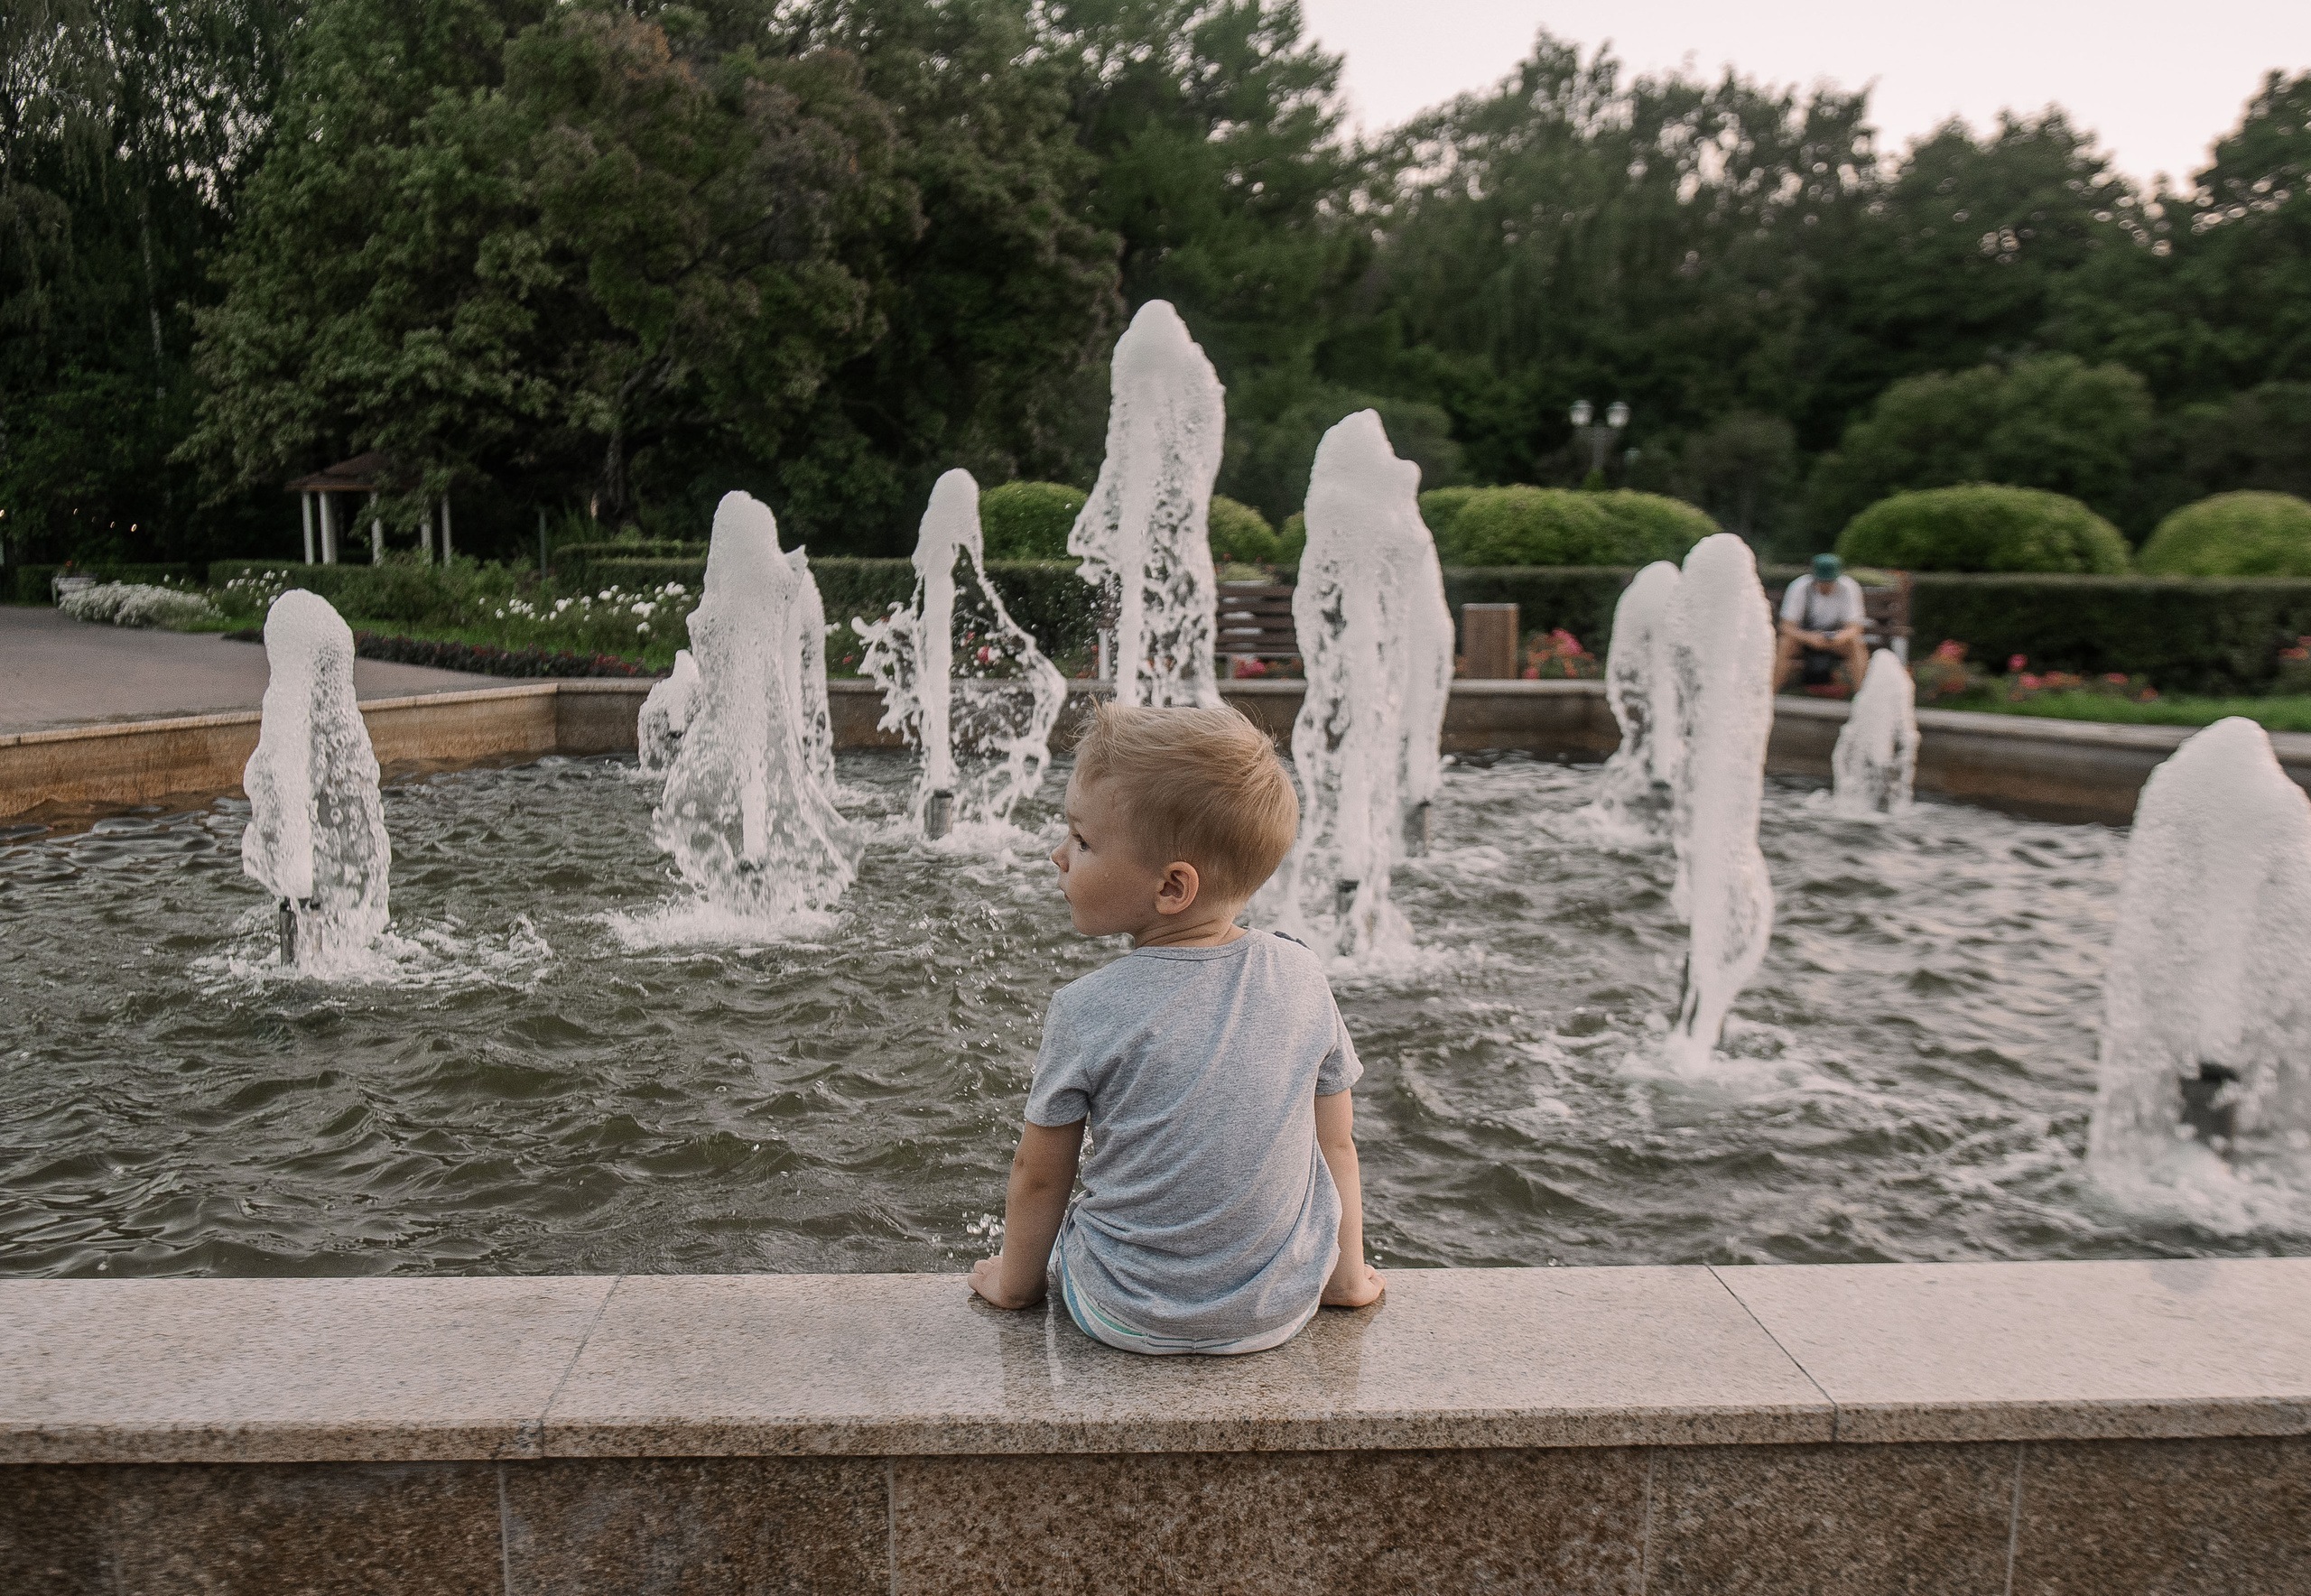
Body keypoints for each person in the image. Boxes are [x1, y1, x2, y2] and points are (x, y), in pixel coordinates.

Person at [966, 702, 1385, 1353]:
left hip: (1120, 1315)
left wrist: (1014, 1285)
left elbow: (1041, 1174)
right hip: (1276, 1312)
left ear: (1172, 888)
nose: (1058, 856)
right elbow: (1337, 1151)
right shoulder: (1303, 976)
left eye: (1082, 840)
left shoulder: (1085, 1008)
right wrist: (1346, 1281)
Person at [1776, 552, 1871, 691]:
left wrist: (1838, 638)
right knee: (1785, 644)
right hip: (1804, 639)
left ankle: (1863, 696)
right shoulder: (1799, 587)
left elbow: (1855, 628)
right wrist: (1809, 638)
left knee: (1856, 644)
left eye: (1830, 581)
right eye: (1822, 581)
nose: (1826, 585)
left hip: (1836, 640)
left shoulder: (1849, 588)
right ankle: (1770, 695)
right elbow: (1786, 627)